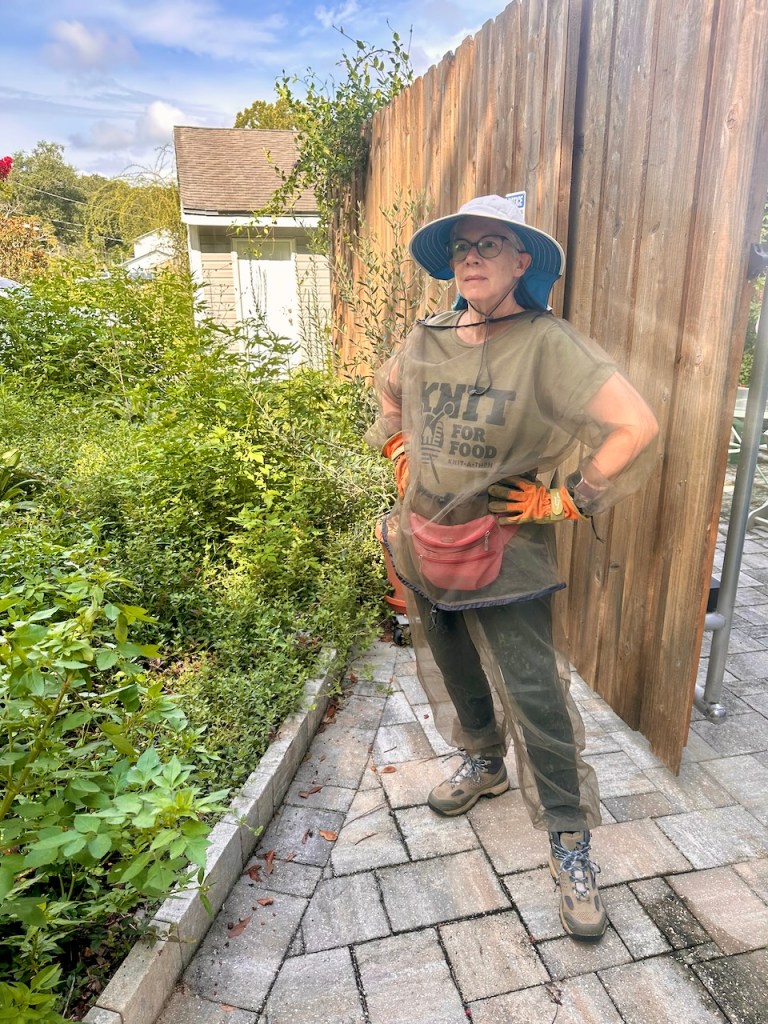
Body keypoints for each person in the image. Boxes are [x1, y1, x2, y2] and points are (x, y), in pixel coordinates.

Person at [366, 194, 658, 942]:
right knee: (454, 659)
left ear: (522, 261)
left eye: (490, 244)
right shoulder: (428, 335)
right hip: (426, 536)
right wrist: (400, 453)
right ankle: (482, 761)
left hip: (507, 550)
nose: (472, 257)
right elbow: (389, 393)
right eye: (463, 247)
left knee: (537, 696)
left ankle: (570, 842)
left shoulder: (547, 344)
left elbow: (636, 424)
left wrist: (569, 501)